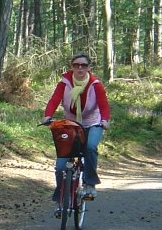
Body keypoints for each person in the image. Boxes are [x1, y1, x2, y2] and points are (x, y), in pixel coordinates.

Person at [41, 52, 111, 209]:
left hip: (93, 123)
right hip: (71, 124)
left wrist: (104, 120)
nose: (80, 68)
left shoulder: (95, 84)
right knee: (60, 166)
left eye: (83, 65)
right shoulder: (64, 83)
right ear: (71, 67)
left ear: (88, 68)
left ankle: (90, 184)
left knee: (90, 147)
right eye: (76, 65)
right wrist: (47, 116)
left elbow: (104, 105)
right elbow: (54, 100)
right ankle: (61, 197)